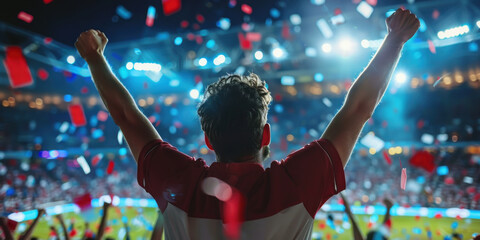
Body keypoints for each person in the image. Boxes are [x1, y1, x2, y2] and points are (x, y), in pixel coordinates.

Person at [74, 8, 419, 239]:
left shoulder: (181, 183)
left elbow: (126, 117)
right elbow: (358, 108)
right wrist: (394, 40)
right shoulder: (295, 184)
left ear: (208, 139)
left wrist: (95, 58)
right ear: (265, 133)